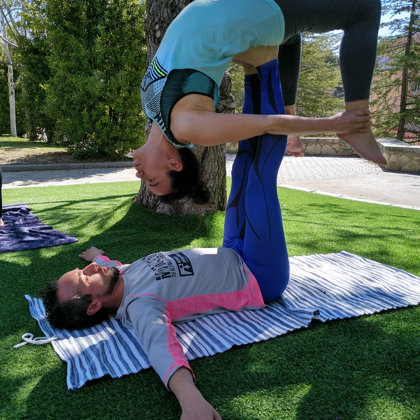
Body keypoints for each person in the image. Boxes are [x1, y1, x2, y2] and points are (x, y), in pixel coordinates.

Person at [41, 61, 295, 419]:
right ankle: (267, 67)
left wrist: (99, 254)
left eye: (84, 268)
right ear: (95, 305)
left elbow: (109, 265)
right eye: (85, 277)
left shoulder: (120, 274)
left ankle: (253, 72)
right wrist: (189, 399)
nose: (91, 267)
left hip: (232, 250)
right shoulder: (140, 307)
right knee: (259, 174)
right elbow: (162, 348)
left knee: (242, 169)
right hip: (257, 275)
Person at [134, 0, 385, 203]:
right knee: (364, 8)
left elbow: (193, 58)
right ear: (174, 164)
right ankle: (357, 125)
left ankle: (306, 126)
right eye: (152, 181)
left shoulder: (152, 111)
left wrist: (244, 58)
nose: (140, 175)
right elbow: (268, 123)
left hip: (232, 11)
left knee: (287, 37)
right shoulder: (188, 128)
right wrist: (334, 124)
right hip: (251, 12)